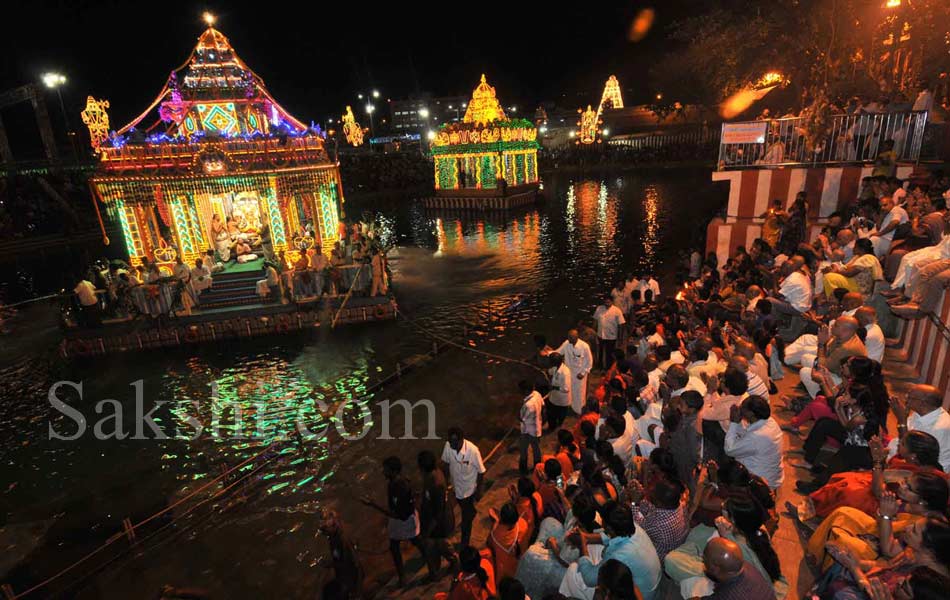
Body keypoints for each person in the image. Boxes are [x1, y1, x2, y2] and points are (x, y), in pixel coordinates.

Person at [560, 504, 662, 600]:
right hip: (648, 585)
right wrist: (585, 537)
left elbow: (589, 579)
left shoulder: (620, 555)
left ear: (609, 528)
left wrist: (582, 545)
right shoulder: (632, 527)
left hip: (642, 595)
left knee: (573, 571)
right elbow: (608, 537)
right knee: (593, 548)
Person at [359, 456, 427, 587]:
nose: (383, 472)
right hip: (407, 517)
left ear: (394, 471)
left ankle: (404, 575)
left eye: (386, 470)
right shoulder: (398, 482)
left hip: (405, 520)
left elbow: (398, 515)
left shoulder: (398, 486)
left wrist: (373, 504)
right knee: (411, 540)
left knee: (402, 543)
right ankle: (427, 557)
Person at [724, 395, 785, 490]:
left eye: (743, 407)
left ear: (751, 414)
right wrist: (738, 422)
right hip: (772, 476)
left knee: (726, 463)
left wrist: (733, 423)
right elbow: (746, 435)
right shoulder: (770, 422)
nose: (740, 408)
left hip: (760, 482)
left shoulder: (757, 437)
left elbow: (729, 450)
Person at [888, 384, 950, 472]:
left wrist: (902, 420)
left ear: (922, 403)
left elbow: (911, 452)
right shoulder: (921, 413)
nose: (906, 399)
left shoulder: (938, 427)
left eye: (910, 397)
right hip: (907, 457)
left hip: (926, 473)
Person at [442, 427, 486, 549]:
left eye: (454, 442)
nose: (452, 444)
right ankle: (471, 512)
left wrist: (478, 491)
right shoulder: (448, 447)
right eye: (450, 441)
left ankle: (464, 543)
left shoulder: (473, 451)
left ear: (462, 440)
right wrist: (446, 483)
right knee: (466, 509)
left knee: (465, 520)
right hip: (457, 488)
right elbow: (445, 464)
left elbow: (481, 472)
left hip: (469, 489)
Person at [418, 450, 458, 577]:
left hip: (439, 525)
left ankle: (454, 563)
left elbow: (438, 512)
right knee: (436, 548)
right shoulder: (433, 475)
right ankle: (435, 572)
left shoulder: (435, 483)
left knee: (442, 547)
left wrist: (428, 531)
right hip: (436, 523)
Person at [700, 537, 776, 600]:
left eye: (705, 559)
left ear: (716, 569)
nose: (703, 560)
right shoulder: (747, 566)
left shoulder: (727, 596)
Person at [317, 509, 364, 598]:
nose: (324, 531)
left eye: (325, 528)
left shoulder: (339, 540)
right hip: (348, 576)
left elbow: (347, 562)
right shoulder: (336, 538)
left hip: (350, 577)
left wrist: (329, 564)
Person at [487, 502, 530, 582]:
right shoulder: (523, 525)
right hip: (521, 565)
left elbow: (489, 543)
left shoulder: (495, 535)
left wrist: (496, 522)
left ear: (501, 518)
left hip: (504, 572)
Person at [556, 329, 593, 415]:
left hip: (579, 374)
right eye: (568, 337)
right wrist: (548, 352)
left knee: (579, 393)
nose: (569, 339)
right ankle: (571, 407)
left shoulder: (584, 346)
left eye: (571, 338)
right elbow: (558, 352)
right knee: (569, 390)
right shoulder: (566, 344)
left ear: (576, 338)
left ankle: (579, 411)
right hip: (569, 373)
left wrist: (583, 373)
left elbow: (590, 361)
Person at [519, 379, 544, 476]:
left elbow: (522, 418)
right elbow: (543, 405)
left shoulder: (528, 405)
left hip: (527, 430)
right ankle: (537, 466)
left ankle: (523, 469)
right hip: (537, 428)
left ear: (525, 391)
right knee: (536, 449)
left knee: (523, 449)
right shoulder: (537, 394)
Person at [593, 297, 626, 371]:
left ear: (612, 302)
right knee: (600, 352)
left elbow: (621, 324)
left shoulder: (617, 311)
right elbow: (595, 321)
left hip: (611, 336)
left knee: (610, 353)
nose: (607, 304)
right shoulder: (599, 309)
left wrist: (620, 338)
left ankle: (608, 368)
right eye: (606, 302)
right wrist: (594, 332)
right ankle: (600, 367)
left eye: (609, 302)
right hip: (600, 335)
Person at [547, 353, 573, 430]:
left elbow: (566, 389)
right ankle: (552, 427)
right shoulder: (555, 368)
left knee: (559, 415)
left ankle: (557, 427)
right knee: (552, 415)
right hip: (554, 398)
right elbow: (550, 372)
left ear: (555, 362)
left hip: (562, 401)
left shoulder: (565, 372)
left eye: (551, 361)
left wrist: (554, 387)